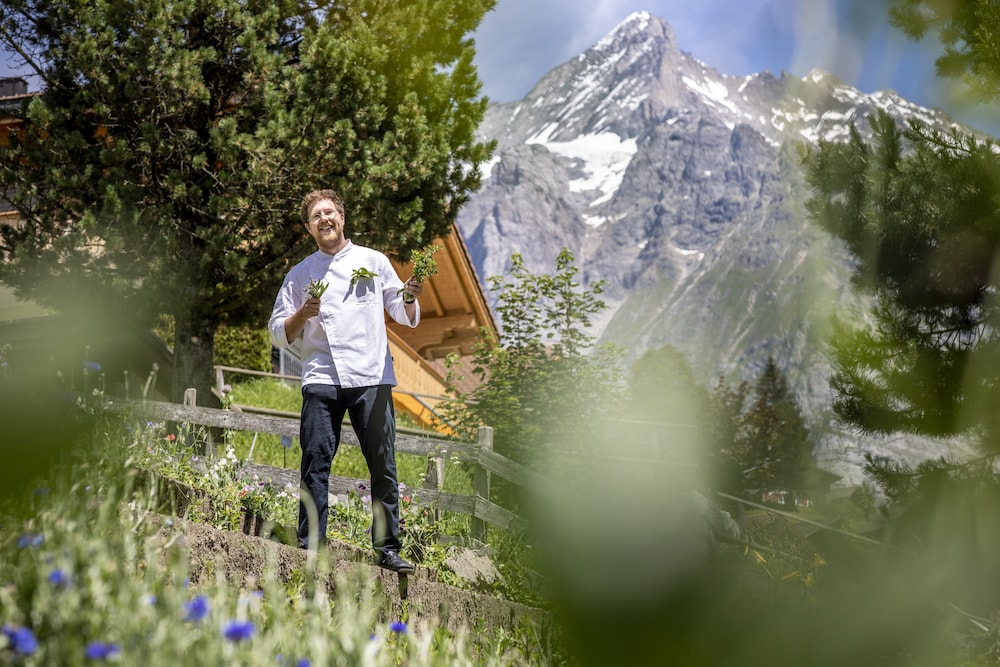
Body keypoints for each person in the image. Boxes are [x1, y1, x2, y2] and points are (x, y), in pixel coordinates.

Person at [268, 188, 422, 574]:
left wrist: (408, 296)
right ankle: (311, 546)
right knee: (315, 462)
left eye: (329, 212)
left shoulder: (373, 261)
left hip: (371, 374)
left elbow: (400, 310)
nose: (324, 219)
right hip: (322, 376)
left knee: (383, 464)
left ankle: (387, 549)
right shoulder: (300, 274)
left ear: (341, 218)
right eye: (316, 216)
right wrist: (303, 314)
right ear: (309, 228)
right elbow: (277, 331)